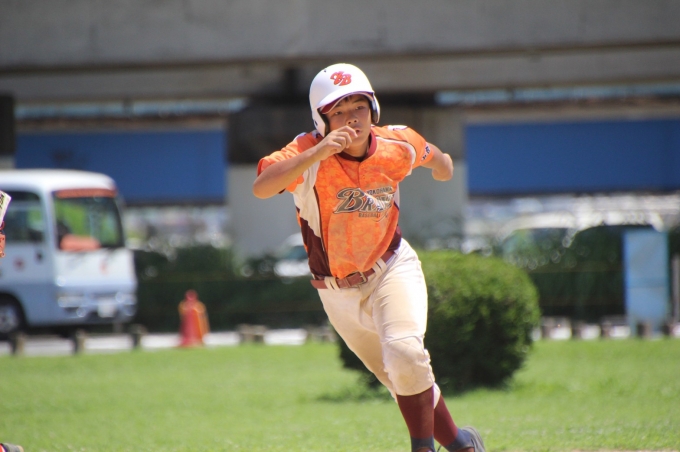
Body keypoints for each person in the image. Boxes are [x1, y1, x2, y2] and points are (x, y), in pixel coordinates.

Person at [252, 63, 485, 452]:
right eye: (338, 111)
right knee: (401, 377)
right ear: (321, 120)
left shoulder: (395, 144)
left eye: (358, 107)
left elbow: (434, 157)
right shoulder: (307, 151)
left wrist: (443, 167)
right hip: (336, 291)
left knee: (406, 353)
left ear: (373, 109)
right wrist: (319, 152)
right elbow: (261, 187)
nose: (351, 118)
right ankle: (463, 445)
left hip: (390, 267)